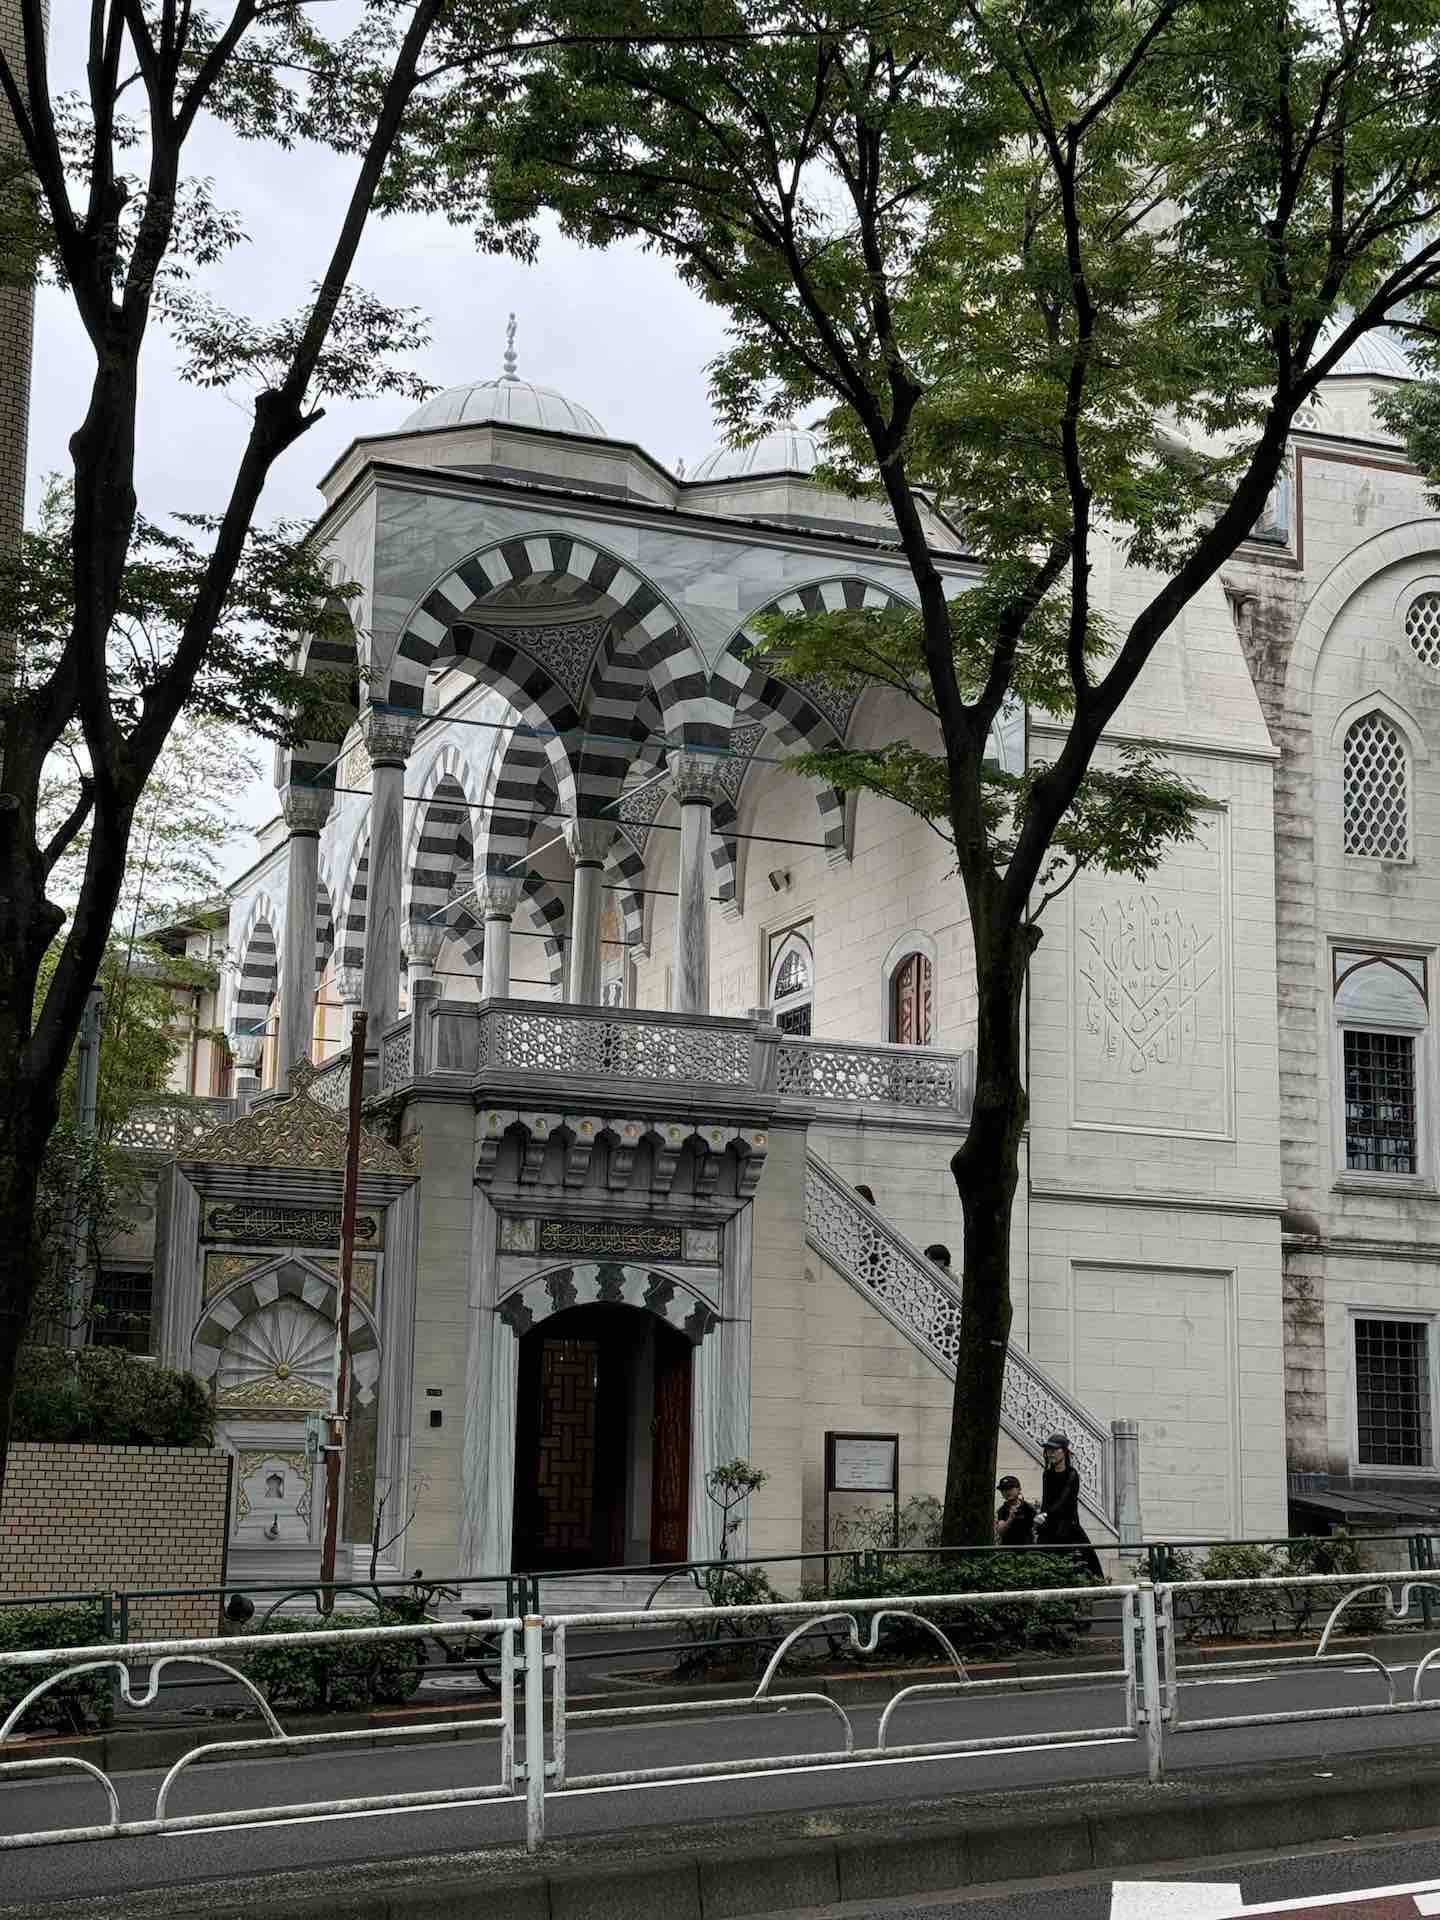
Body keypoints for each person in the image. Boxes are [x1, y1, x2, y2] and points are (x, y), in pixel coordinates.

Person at [1034, 1432, 1104, 1581]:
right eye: (1048, 1450)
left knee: (1084, 1564)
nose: (1050, 1454)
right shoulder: (1047, 1474)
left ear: (1064, 1452)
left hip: (1068, 1527)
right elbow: (1046, 1499)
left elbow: (1064, 1501)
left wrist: (1046, 1515)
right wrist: (1041, 1517)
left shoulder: (1072, 1475)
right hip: (1050, 1526)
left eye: (1054, 1450)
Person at [995, 1474, 1036, 1546]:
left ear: (1019, 1489)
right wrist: (1010, 1518)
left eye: (1010, 1488)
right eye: (1003, 1489)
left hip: (1027, 1550)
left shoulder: (1028, 1508)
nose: (1007, 1492)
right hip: (1007, 1551)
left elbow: (1036, 1529)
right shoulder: (1002, 1510)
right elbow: (1000, 1531)